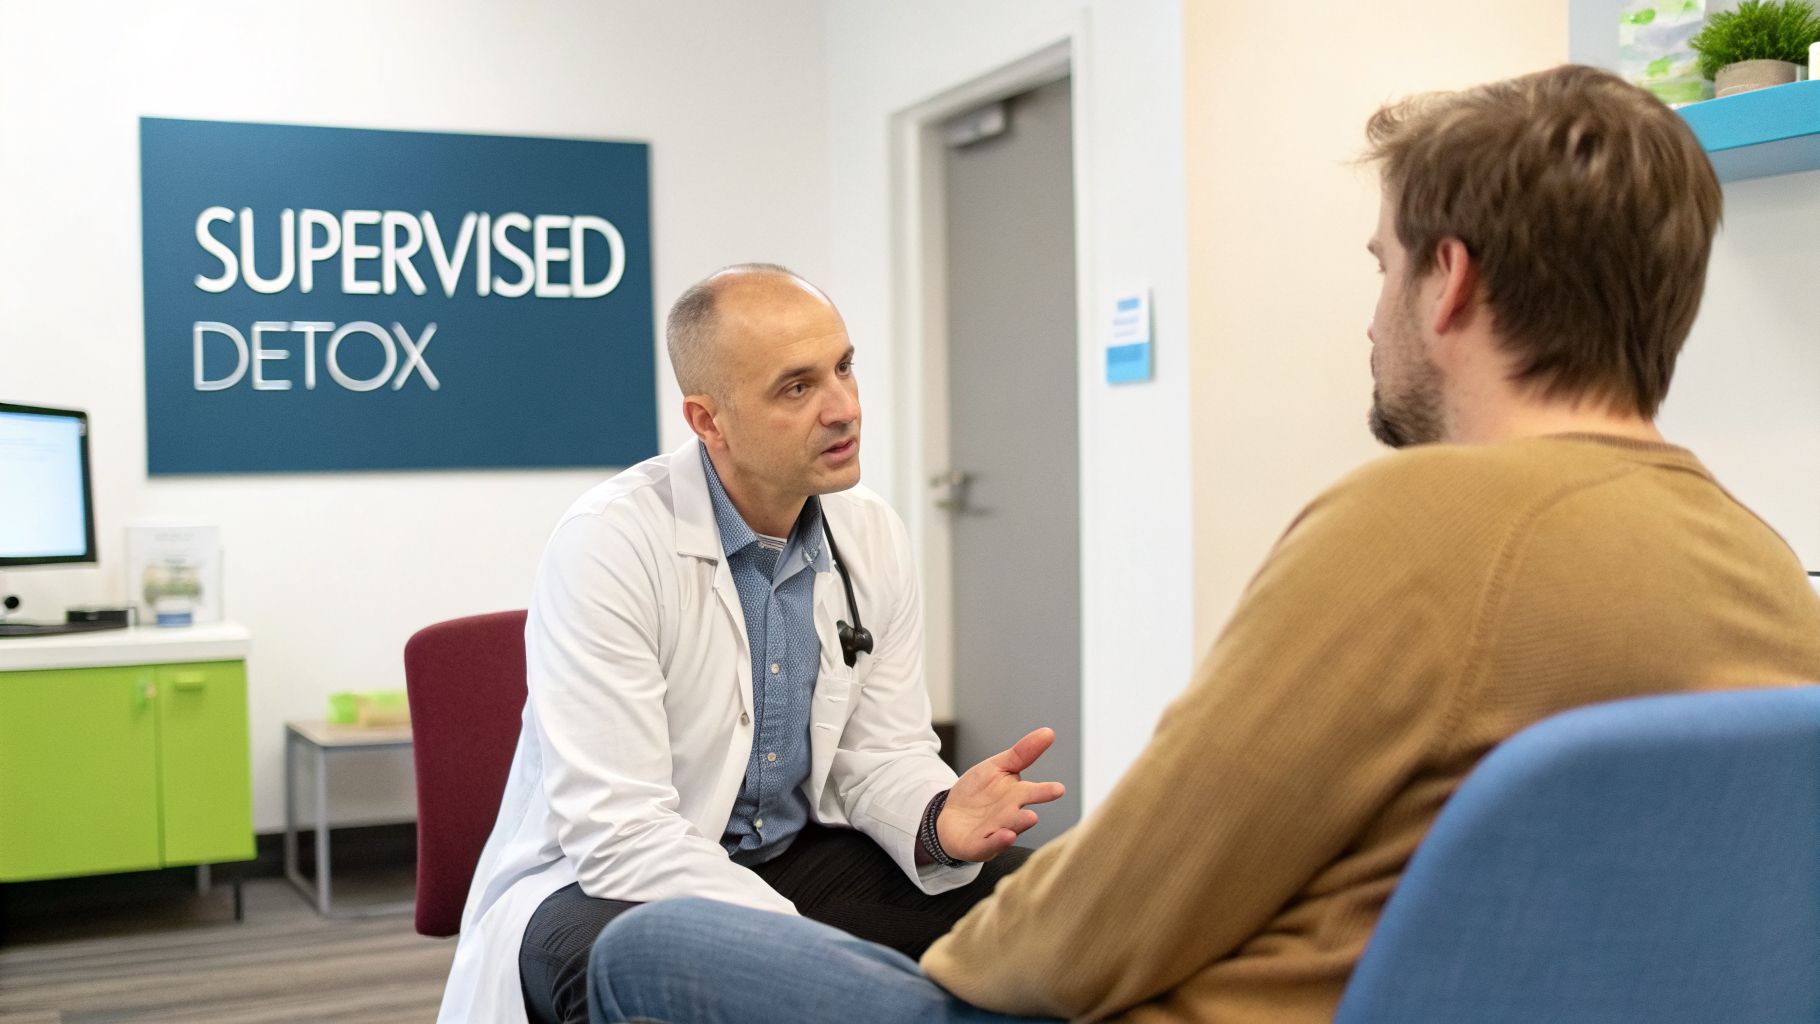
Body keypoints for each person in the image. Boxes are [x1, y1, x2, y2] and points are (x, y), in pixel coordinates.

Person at [583, 65, 1820, 1024]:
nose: (1372, 311)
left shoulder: (1415, 526)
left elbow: (1109, 913)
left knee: (646, 948)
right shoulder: (1763, 572)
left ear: (1448, 283)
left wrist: (943, 963)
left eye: (1381, 266)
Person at [436, 264, 1065, 1024]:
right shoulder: (608, 544)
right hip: (597, 886)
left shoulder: (870, 530)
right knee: (637, 969)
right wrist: (786, 948)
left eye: (844, 367)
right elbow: (619, 832)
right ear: (708, 420)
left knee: (1053, 914)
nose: (843, 408)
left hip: (790, 856)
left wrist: (937, 822)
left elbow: (882, 752)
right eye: (796, 388)